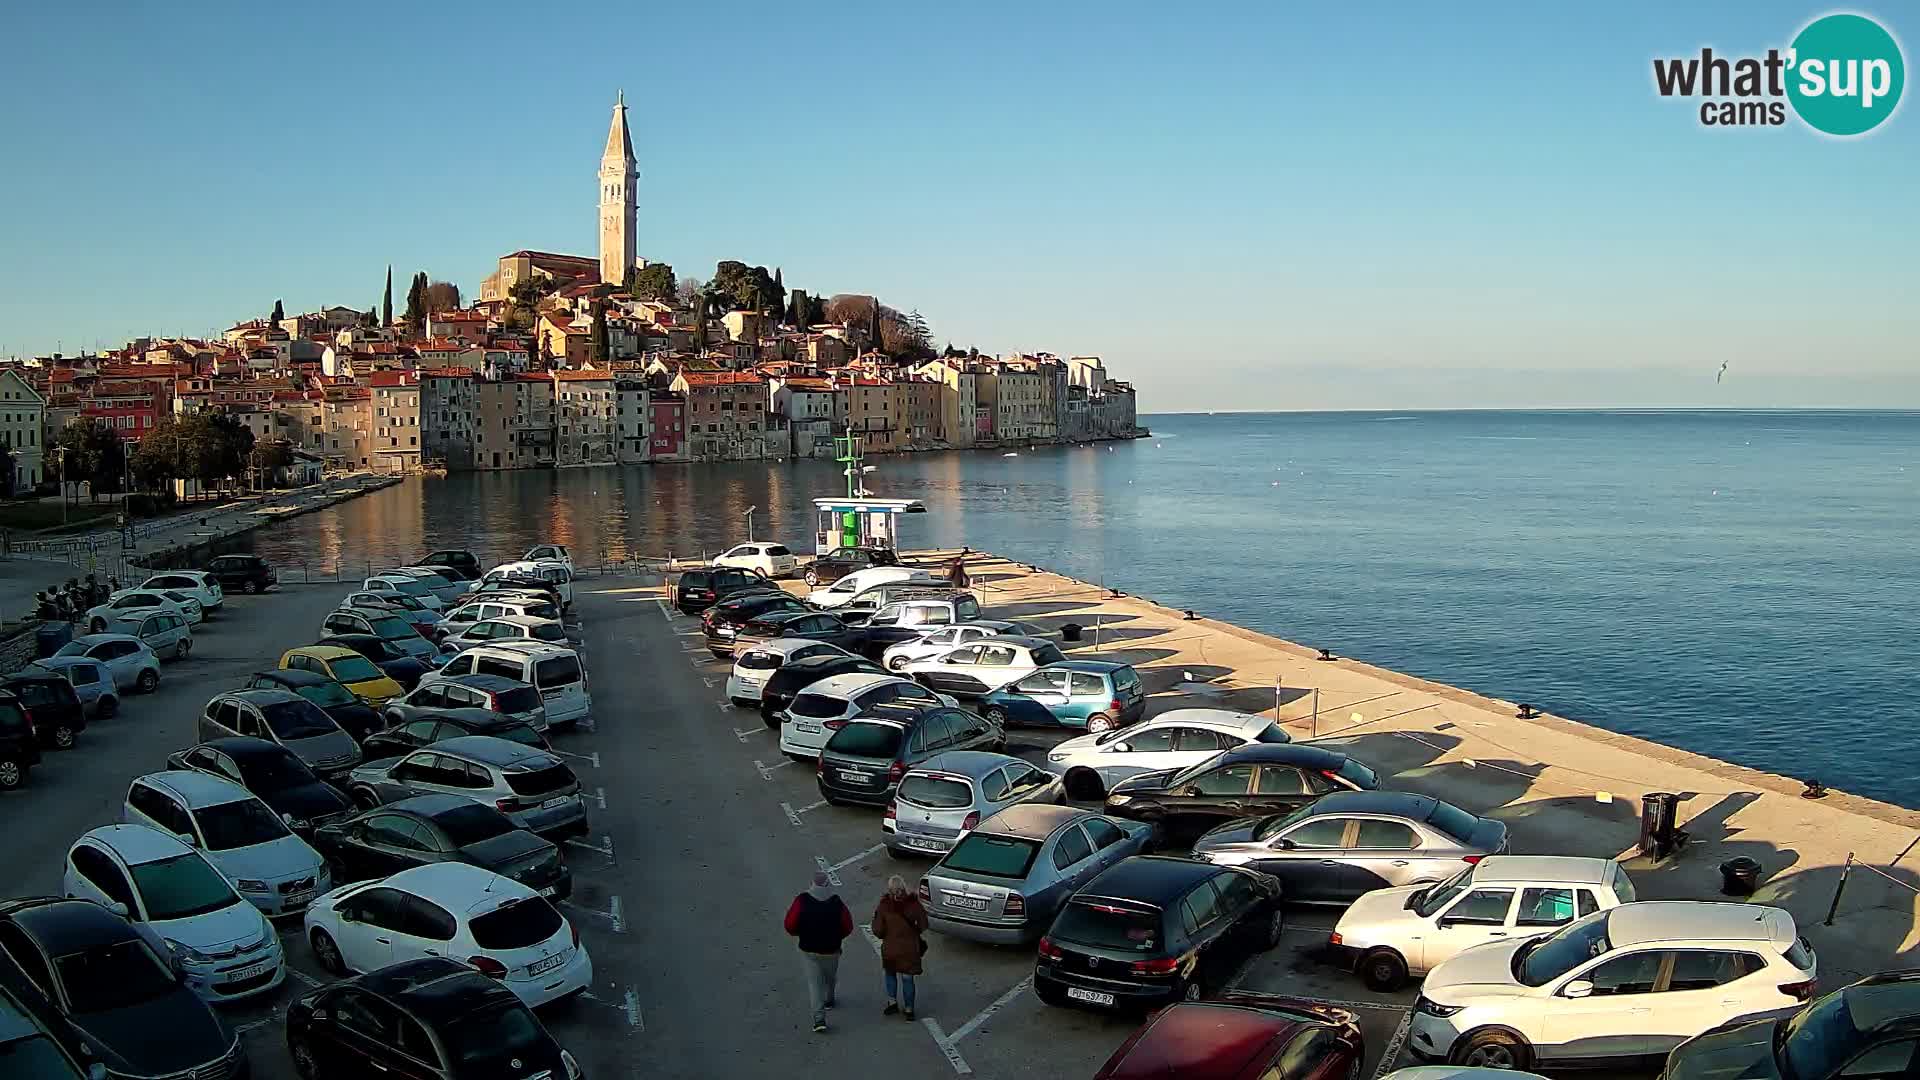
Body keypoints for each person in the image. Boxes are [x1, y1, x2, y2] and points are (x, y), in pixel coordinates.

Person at [783, 871, 852, 1033]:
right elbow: (848, 926)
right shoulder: (836, 902)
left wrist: (801, 933)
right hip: (832, 950)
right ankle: (829, 999)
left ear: (812, 884)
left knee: (815, 984)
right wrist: (838, 936)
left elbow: (790, 925)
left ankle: (819, 1019)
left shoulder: (802, 900)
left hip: (809, 949)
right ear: (828, 885)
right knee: (830, 977)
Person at [870, 875, 929, 1020]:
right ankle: (909, 1009)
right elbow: (924, 924)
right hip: (910, 950)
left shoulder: (884, 906)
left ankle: (892, 1002)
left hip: (891, 948)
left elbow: (878, 930)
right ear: (904, 888)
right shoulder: (914, 904)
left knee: (890, 974)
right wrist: (914, 932)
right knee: (907, 978)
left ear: (890, 889)